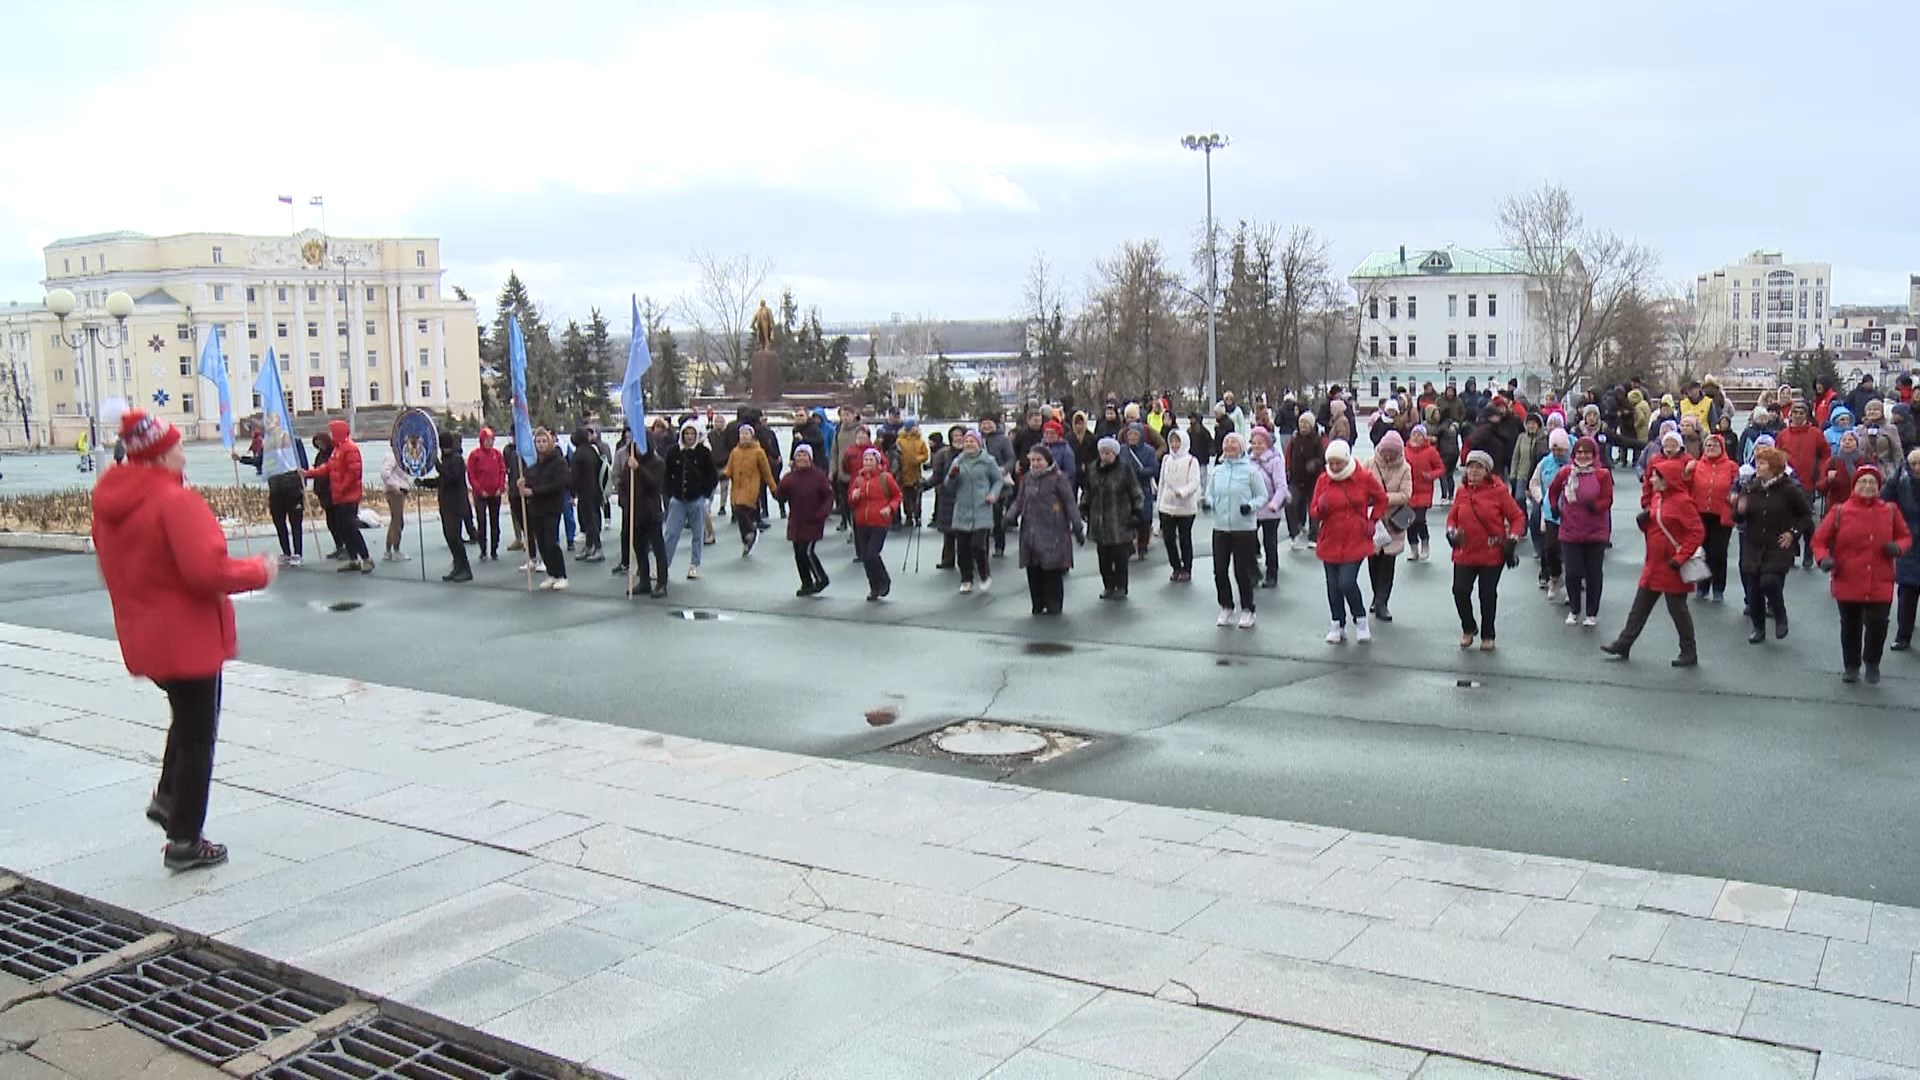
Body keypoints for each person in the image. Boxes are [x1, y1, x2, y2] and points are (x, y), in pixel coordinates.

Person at [91, 410, 276, 872]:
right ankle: (185, 839)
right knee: (198, 735)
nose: (182, 451)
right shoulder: (174, 502)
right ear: (158, 453)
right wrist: (257, 570)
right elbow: (205, 570)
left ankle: (169, 798)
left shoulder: (112, 504)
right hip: (188, 635)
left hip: (146, 634)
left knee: (186, 718)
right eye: (176, 444)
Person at [1813, 461, 1911, 683]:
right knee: (1850, 625)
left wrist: (1898, 548)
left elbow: (1905, 536)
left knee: (1878, 623)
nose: (1868, 486)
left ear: (1879, 487)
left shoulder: (1890, 511)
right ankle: (1851, 664)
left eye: (1872, 482)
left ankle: (1872, 662)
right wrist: (1824, 559)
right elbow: (1819, 540)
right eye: (1863, 482)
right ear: (1854, 486)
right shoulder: (1840, 511)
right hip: (1848, 578)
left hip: (1880, 580)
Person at [1602, 458, 1703, 666]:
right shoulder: (1658, 498)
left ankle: (1689, 650)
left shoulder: (1683, 502)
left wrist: (1681, 557)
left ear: (1668, 480)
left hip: (1672, 565)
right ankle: (1624, 642)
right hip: (1655, 562)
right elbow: (1656, 529)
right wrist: (1644, 523)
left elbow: (1696, 532)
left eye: (1656, 476)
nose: (1652, 479)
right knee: (1639, 607)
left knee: (1678, 610)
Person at [1446, 449, 1525, 651]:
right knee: (1460, 590)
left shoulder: (1498, 491)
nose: (1473, 471)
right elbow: (1453, 517)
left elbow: (1517, 517)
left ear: (1487, 471)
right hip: (1465, 550)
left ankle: (1488, 634)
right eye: (1470, 466)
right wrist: (1451, 531)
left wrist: (1513, 538)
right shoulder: (1462, 491)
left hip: (1491, 551)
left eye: (1478, 467)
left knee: (1487, 594)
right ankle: (1469, 627)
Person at [1313, 439, 1389, 644]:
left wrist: (1374, 519)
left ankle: (1360, 618)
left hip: (1356, 538)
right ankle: (1337, 623)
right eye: (1331, 463)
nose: (1335, 467)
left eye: (1339, 463)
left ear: (1346, 460)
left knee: (1346, 582)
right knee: (1333, 586)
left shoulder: (1362, 477)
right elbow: (1314, 512)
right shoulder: (1323, 480)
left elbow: (1382, 499)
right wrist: (1321, 507)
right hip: (1330, 538)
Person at [1735, 445, 1813, 644]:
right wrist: (1738, 509)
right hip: (1753, 544)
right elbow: (1737, 517)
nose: (1758, 466)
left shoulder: (1789, 490)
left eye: (1763, 463)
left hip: (1778, 544)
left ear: (1775, 467)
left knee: (1769, 581)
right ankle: (1758, 627)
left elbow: (1805, 516)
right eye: (1758, 462)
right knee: (1753, 587)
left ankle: (1780, 614)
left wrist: (1793, 534)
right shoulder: (1750, 487)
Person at [1549, 436, 1613, 628]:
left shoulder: (1602, 474)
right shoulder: (1566, 473)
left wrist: (1596, 505)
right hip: (1570, 530)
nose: (1583, 456)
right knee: (1573, 572)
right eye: (1579, 452)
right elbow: (1553, 491)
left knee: (1594, 573)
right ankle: (1575, 609)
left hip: (1596, 531)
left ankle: (1592, 613)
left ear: (1594, 455)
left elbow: (1607, 499)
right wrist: (1554, 508)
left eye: (1587, 452)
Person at [1206, 431, 1265, 628]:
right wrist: (1210, 502)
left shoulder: (1250, 471)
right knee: (1219, 570)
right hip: (1221, 527)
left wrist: (1250, 506)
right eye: (1227, 443)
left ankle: (1248, 609)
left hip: (1243, 528)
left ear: (1241, 448)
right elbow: (1210, 493)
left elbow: (1261, 496)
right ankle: (1226, 606)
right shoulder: (1218, 471)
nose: (1230, 446)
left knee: (1242, 570)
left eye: (1234, 443)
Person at [304, 419, 372, 573]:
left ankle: (366, 558)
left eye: (332, 431)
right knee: (343, 529)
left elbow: (354, 473)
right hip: (339, 497)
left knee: (351, 528)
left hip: (349, 497)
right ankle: (353, 559)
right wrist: (309, 473)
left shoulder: (350, 449)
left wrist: (342, 488)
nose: (330, 435)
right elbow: (328, 468)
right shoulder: (338, 449)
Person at [943, 429, 1005, 594]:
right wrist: (952, 476)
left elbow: (998, 480)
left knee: (978, 545)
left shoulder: (988, 461)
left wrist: (993, 494)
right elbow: (948, 486)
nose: (969, 444)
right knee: (962, 548)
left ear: (979, 444)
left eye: (972, 441)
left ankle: (984, 574)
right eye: (966, 442)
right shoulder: (958, 462)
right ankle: (966, 579)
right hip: (962, 509)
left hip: (981, 507)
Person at [1085, 436, 1145, 600]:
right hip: (1099, 520)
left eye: (1108, 452)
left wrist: (1137, 512)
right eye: (1102, 452)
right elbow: (1088, 490)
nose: (1104, 456)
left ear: (1115, 454)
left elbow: (1135, 491)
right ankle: (1108, 585)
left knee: (1119, 557)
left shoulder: (1125, 469)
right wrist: (1084, 505)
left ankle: (1121, 586)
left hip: (1120, 520)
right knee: (1103, 557)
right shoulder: (1093, 469)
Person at [775, 442, 838, 597]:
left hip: (813, 520)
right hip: (796, 520)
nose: (801, 458)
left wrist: (822, 514)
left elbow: (828, 497)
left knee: (807, 551)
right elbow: (780, 496)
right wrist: (777, 490)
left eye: (804, 455)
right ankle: (806, 583)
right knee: (798, 554)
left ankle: (821, 578)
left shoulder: (818, 476)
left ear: (810, 458)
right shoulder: (790, 477)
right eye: (799, 455)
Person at [660, 422, 717, 581]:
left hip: (696, 499)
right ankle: (664, 566)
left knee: (697, 533)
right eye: (686, 434)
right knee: (671, 533)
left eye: (692, 434)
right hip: (678, 499)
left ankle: (694, 564)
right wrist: (670, 492)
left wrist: (704, 494)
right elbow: (667, 474)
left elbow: (712, 476)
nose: (689, 437)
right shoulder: (674, 451)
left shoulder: (703, 453)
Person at [1365, 430, 1412, 622]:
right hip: (1373, 521)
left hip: (1393, 521)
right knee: (1373, 560)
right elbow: (1360, 487)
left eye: (1392, 452)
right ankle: (1376, 596)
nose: (1388, 455)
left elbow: (1406, 494)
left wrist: (1383, 499)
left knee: (1388, 562)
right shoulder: (1369, 463)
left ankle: (1383, 602)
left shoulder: (1405, 469)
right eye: (1386, 451)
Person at [517, 427, 572, 590]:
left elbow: (558, 484)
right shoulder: (535, 464)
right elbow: (530, 479)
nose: (541, 445)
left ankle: (561, 574)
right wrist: (522, 484)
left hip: (551, 507)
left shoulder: (559, 461)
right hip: (536, 508)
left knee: (550, 542)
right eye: (538, 442)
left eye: (544, 441)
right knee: (541, 542)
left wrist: (534, 491)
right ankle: (551, 573)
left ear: (550, 442)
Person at [1686, 434, 1738, 602]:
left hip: (1722, 515)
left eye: (1715, 445)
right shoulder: (1696, 465)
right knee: (1702, 551)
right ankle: (1702, 587)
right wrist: (1686, 473)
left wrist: (1734, 495)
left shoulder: (1731, 467)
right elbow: (1686, 487)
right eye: (1708, 445)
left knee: (1719, 552)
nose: (1711, 448)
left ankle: (1718, 588)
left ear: (1722, 448)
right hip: (1700, 514)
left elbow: (1738, 486)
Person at [846, 446, 902, 601]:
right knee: (865, 557)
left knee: (872, 554)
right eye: (865, 459)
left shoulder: (885, 478)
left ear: (877, 462)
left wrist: (890, 508)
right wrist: (854, 496)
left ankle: (884, 580)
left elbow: (897, 496)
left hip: (879, 521)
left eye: (871, 459)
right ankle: (874, 587)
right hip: (862, 522)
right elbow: (850, 501)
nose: (868, 462)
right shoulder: (858, 480)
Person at [1155, 427, 1202, 583]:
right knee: (1168, 539)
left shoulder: (1191, 461)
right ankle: (1175, 566)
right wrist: (1160, 503)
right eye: (1172, 441)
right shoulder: (1167, 459)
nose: (1175, 445)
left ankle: (1186, 568)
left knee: (1184, 539)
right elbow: (1162, 481)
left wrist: (1183, 492)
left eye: (1177, 441)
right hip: (1167, 506)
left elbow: (1195, 482)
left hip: (1185, 507)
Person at [724, 425, 777, 553]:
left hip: (751, 487)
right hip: (737, 488)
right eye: (742, 434)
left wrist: (773, 488)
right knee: (739, 512)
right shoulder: (735, 452)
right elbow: (729, 469)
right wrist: (722, 475)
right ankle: (747, 541)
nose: (744, 436)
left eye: (746, 434)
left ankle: (751, 531)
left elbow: (766, 472)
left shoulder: (758, 452)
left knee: (741, 507)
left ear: (752, 436)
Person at [260, 428, 309, 566]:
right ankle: (286, 553)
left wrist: (303, 485)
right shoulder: (269, 446)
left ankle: (298, 553)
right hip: (276, 489)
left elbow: (303, 464)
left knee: (295, 523)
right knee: (279, 522)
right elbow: (260, 462)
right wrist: (241, 459)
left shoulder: (295, 443)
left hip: (293, 488)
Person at [1247, 427, 1289, 585]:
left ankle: (1272, 573)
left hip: (1271, 508)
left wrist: (1275, 503)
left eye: (1261, 443)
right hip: (1253, 509)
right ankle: (1253, 573)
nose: (1257, 446)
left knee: (1269, 543)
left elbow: (1281, 486)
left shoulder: (1275, 460)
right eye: (1254, 443)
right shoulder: (1248, 460)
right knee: (1249, 542)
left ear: (1267, 444)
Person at [1891, 449, 1920, 651]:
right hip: (1909, 542)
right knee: (1907, 593)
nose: (1917, 468)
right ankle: (1903, 636)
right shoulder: (1901, 483)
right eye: (1914, 464)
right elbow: (1885, 501)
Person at [1284, 413, 1325, 549]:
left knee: (1313, 508)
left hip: (1313, 480)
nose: (1303, 426)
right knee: (1290, 503)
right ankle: (1294, 533)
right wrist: (1288, 469)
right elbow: (1289, 455)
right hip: (1296, 479)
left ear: (1311, 425)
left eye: (1306, 423)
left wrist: (1314, 463)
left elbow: (1322, 459)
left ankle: (1314, 535)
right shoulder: (1294, 439)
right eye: (1301, 423)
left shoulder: (1317, 440)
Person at [930, 424, 967, 570]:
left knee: (965, 533)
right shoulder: (943, 454)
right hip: (947, 496)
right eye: (955, 436)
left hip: (965, 495)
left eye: (960, 435)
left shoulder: (972, 453)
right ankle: (948, 559)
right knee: (948, 532)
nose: (958, 438)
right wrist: (925, 485)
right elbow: (937, 476)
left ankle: (967, 561)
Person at [1404, 425, 1443, 561]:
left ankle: (1425, 543)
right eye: (1414, 434)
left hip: (1424, 492)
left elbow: (1440, 468)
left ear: (1424, 437)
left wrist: (1430, 475)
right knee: (1409, 522)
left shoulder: (1431, 451)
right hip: (1408, 492)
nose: (1416, 437)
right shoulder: (1404, 451)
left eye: (1419, 435)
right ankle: (1413, 548)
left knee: (1419, 519)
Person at [1121, 424, 1160, 560]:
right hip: (1126, 490)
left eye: (1135, 435)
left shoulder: (1149, 451)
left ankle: (1143, 546)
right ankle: (1128, 545)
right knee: (1126, 519)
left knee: (1144, 519)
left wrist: (1141, 472)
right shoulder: (1122, 450)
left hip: (1143, 487)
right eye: (1130, 434)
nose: (1132, 437)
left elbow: (1154, 468)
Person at [467, 428, 507, 562]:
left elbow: (502, 470)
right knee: (481, 521)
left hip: (495, 493)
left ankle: (494, 549)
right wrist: (479, 489)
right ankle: (483, 550)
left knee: (495, 522)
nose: (490, 443)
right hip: (481, 494)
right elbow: (471, 475)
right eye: (487, 440)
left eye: (492, 440)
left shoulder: (497, 454)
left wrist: (501, 487)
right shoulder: (474, 455)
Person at [980, 416, 1017, 556]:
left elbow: (1011, 458)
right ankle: (983, 547)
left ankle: (999, 546)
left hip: (999, 483)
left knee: (996, 516)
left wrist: (1004, 469)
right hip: (981, 483)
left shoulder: (1003, 440)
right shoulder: (977, 439)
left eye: (989, 424)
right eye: (983, 424)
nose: (986, 427)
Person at [570, 428, 607, 563]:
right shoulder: (593, 451)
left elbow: (574, 476)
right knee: (593, 518)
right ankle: (590, 546)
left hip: (584, 492)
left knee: (589, 521)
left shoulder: (577, 455)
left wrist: (572, 493)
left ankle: (596, 547)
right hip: (596, 490)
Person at [380, 445, 413, 562]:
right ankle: (396, 550)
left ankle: (388, 551)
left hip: (400, 491)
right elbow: (385, 473)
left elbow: (403, 473)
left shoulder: (399, 455)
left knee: (395, 520)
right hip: (395, 493)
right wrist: (396, 486)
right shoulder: (392, 456)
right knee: (397, 521)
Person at [897, 419, 929, 527]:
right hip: (904, 474)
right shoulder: (900, 441)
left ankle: (917, 516)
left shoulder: (920, 441)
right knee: (906, 498)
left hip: (916, 474)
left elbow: (925, 455)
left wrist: (918, 459)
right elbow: (896, 455)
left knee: (917, 498)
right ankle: (909, 516)